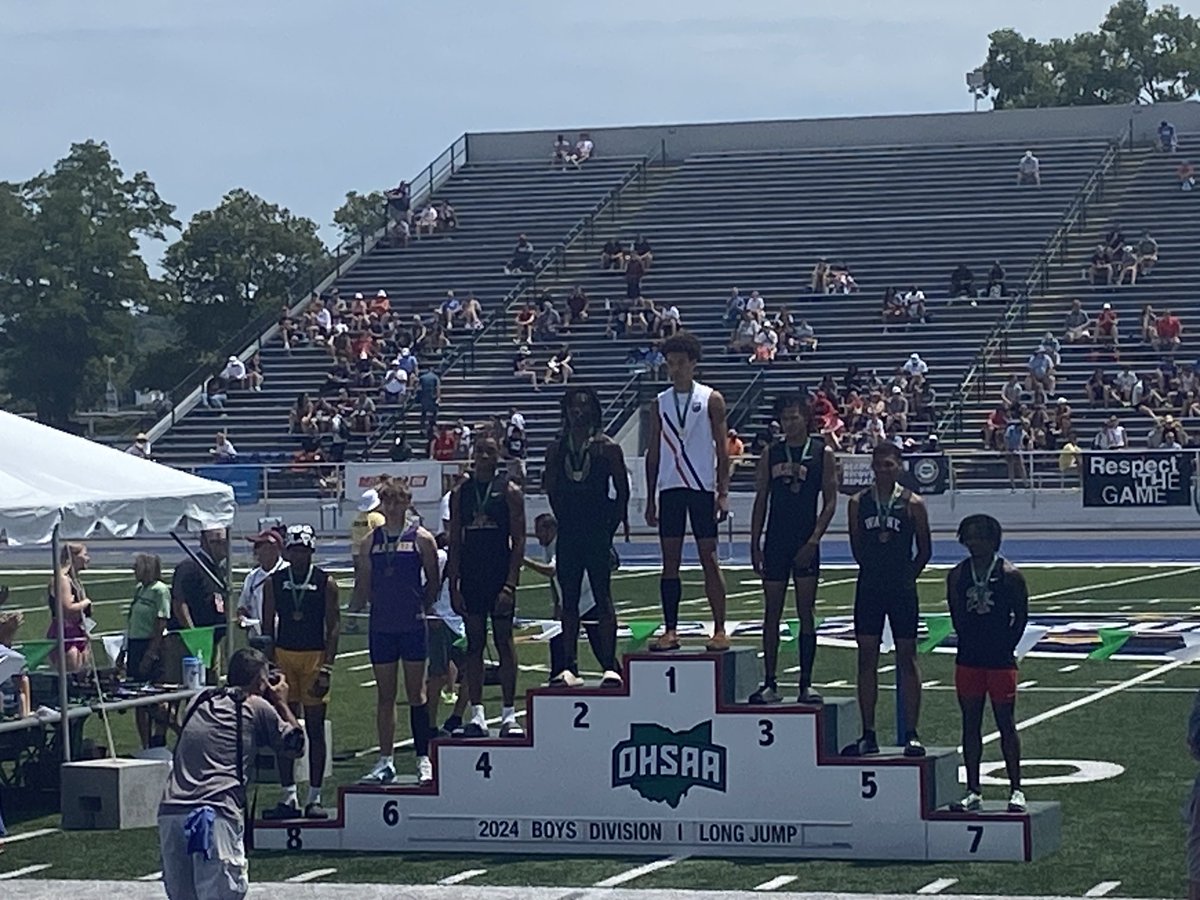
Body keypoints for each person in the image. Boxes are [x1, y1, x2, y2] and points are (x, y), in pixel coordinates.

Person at [158, 647, 304, 900]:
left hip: (172, 812)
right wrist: (280, 701)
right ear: (260, 682)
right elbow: (296, 747)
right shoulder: (255, 705)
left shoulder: (199, 699)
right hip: (215, 814)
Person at [843, 443, 932, 757]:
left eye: (889, 465)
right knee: (866, 658)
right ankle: (868, 733)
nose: (883, 470)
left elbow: (924, 549)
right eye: (879, 465)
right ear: (872, 466)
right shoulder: (857, 503)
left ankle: (911, 733)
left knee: (907, 658)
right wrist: (873, 570)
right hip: (869, 587)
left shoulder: (913, 503)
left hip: (901, 589)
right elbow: (856, 546)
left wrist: (908, 577)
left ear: (899, 467)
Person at [748, 393, 837, 705]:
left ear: (806, 418)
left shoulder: (820, 452)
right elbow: (761, 499)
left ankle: (806, 683)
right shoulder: (771, 453)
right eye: (785, 418)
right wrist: (754, 541)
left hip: (805, 540)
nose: (790, 423)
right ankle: (770, 681)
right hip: (775, 540)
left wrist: (813, 541)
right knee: (771, 612)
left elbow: (830, 501)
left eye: (795, 417)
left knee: (806, 613)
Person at [645, 332, 731, 653]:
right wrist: (651, 496)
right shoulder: (660, 403)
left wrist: (722, 492)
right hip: (670, 488)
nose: (675, 369)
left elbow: (722, 450)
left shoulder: (711, 399)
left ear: (693, 364)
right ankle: (670, 629)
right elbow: (653, 452)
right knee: (670, 561)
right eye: (670, 364)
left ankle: (720, 627)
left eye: (681, 363)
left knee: (709, 558)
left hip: (700, 487)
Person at [542, 386, 629, 687]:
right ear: (565, 411)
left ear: (594, 410)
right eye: (572, 406)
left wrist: (609, 529)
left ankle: (609, 665)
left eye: (584, 406)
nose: (578, 411)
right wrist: (563, 518)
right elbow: (551, 489)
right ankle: (568, 667)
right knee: (568, 601)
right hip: (569, 532)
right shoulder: (557, 450)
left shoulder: (607, 448)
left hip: (597, 532)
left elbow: (622, 494)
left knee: (603, 598)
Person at [356, 482, 440, 785]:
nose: (392, 506)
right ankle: (386, 759)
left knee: (416, 694)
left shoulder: (421, 539)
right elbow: (364, 583)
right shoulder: (370, 541)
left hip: (412, 624)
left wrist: (422, 606)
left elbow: (433, 580)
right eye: (387, 501)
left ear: (407, 502)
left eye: (398, 501)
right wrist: (356, 611)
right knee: (385, 695)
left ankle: (423, 758)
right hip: (382, 626)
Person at [947, 514, 1028, 813]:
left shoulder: (1010, 574)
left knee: (1006, 723)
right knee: (970, 725)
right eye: (969, 536)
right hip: (968, 658)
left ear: (993, 540)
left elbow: (1020, 617)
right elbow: (955, 613)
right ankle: (973, 789)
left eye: (980, 536)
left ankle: (1016, 789)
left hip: (1000, 659)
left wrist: (1007, 646)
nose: (974, 542)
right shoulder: (957, 574)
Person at [447, 436, 526, 738]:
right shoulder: (461, 493)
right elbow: (455, 540)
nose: (482, 456)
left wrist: (510, 584)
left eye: (489, 451)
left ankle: (508, 714)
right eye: (478, 451)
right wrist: (453, 585)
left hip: (498, 576)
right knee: (475, 645)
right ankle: (477, 714)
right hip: (471, 576)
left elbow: (518, 541)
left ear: (498, 456)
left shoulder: (509, 491)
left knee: (504, 642)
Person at [260, 525, 340, 820]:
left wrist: (327, 667)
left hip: (313, 658)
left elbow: (333, 627)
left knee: (315, 728)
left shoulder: (325, 582)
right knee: (285, 728)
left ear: (311, 552)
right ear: (287, 552)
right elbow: (268, 626)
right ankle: (288, 795)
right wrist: (269, 666)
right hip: (284, 657)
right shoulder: (274, 582)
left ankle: (315, 796)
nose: (299, 556)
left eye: (304, 551)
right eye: (294, 550)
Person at [123, 554, 172, 748]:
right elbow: (131, 622)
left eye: (136, 567)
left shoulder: (160, 591)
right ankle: (145, 744)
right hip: (135, 646)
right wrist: (123, 653)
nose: (134, 570)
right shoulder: (139, 590)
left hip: (150, 646)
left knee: (157, 698)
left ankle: (162, 734)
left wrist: (151, 654)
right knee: (138, 700)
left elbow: (160, 624)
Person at [168, 528, 229, 682]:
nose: (222, 547)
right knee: (186, 683)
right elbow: (179, 602)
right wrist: (193, 634)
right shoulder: (190, 566)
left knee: (211, 685)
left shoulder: (220, 568)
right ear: (204, 542)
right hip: (190, 641)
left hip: (212, 640)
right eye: (216, 542)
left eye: (224, 542)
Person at [47, 542, 92, 673]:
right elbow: (67, 608)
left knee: (82, 672)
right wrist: (86, 603)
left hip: (78, 630)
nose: (88, 558)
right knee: (70, 672)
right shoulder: (62, 579)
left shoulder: (75, 580)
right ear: (73, 557)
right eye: (85, 555)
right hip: (65, 632)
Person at [236, 530, 285, 638]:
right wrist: (242, 619)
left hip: (284, 639)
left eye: (259, 546)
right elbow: (242, 607)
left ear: (274, 548)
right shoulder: (252, 577)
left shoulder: (287, 572)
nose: (255, 551)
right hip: (257, 639)